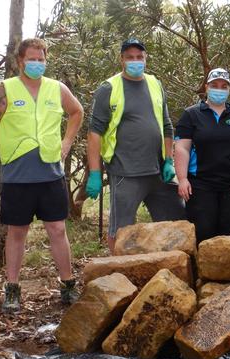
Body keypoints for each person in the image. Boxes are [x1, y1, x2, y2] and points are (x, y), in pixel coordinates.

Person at [0, 38, 83, 314]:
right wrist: (7, 144)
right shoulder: (6, 89)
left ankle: (68, 284)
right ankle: (12, 290)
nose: (37, 63)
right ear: (20, 61)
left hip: (50, 173)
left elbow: (76, 112)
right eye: (31, 59)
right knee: (17, 232)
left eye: (41, 59)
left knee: (57, 230)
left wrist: (67, 142)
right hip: (17, 175)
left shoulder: (56, 89)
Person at [85, 38, 184, 252]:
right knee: (121, 230)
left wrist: (168, 160)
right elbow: (94, 133)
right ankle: (118, 277)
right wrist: (94, 173)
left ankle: (176, 272)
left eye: (140, 57)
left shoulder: (155, 84)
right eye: (130, 57)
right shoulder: (109, 88)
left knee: (176, 221)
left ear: (146, 58)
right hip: (125, 172)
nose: (135, 61)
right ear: (121, 59)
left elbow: (166, 125)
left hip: (159, 171)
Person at [174, 68, 230, 243]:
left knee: (226, 235)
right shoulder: (191, 114)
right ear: (207, 87)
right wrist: (182, 179)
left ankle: (225, 271)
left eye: (224, 86)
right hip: (200, 185)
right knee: (203, 233)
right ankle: (200, 271)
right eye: (215, 85)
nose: (219, 89)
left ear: (229, 89)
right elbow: (182, 148)